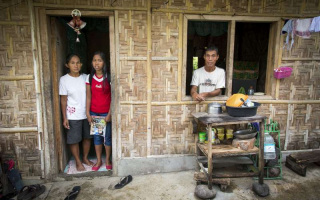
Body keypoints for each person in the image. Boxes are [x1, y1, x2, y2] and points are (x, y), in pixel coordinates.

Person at [59, 54, 93, 171]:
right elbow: (63, 100)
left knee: (87, 137)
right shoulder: (64, 80)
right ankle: (78, 161)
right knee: (74, 139)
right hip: (73, 115)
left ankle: (85, 158)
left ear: (81, 64)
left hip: (87, 113)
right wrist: (65, 117)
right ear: (67, 65)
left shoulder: (86, 77)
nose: (76, 65)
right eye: (73, 63)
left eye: (78, 62)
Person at [86, 51, 112, 171]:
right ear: (92, 62)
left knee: (107, 138)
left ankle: (107, 159)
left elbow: (113, 97)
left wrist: (110, 114)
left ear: (104, 63)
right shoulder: (89, 77)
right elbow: (88, 97)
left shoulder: (108, 77)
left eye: (99, 60)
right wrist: (88, 113)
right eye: (94, 60)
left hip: (105, 114)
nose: (97, 63)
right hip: (94, 114)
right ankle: (99, 160)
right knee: (97, 138)